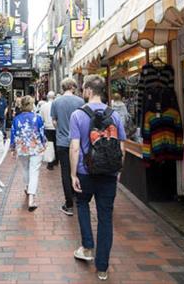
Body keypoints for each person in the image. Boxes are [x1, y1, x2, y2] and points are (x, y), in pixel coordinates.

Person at [69, 75, 126, 281]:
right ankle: (102, 268)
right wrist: (118, 171)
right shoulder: (115, 115)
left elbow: (75, 147)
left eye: (83, 88)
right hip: (109, 173)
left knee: (82, 204)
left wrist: (73, 173)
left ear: (89, 91)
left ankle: (87, 247)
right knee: (105, 218)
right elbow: (121, 147)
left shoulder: (78, 115)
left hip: (86, 172)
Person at [51, 78, 84, 216]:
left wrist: (61, 129)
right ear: (73, 87)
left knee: (65, 171)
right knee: (78, 169)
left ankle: (68, 204)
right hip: (77, 141)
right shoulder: (80, 102)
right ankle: (78, 196)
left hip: (62, 142)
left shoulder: (56, 102)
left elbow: (54, 122)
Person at [10, 95, 47, 211]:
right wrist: (44, 143)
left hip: (22, 147)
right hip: (35, 147)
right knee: (34, 170)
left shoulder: (17, 118)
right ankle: (31, 197)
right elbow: (41, 133)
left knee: (26, 169)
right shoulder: (37, 117)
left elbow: (13, 133)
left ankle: (27, 187)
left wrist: (12, 148)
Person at [38, 91, 57, 170]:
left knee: (49, 145)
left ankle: (50, 162)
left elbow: (41, 118)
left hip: (47, 127)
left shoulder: (43, 106)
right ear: (54, 97)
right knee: (56, 144)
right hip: (56, 127)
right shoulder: (56, 105)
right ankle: (56, 160)